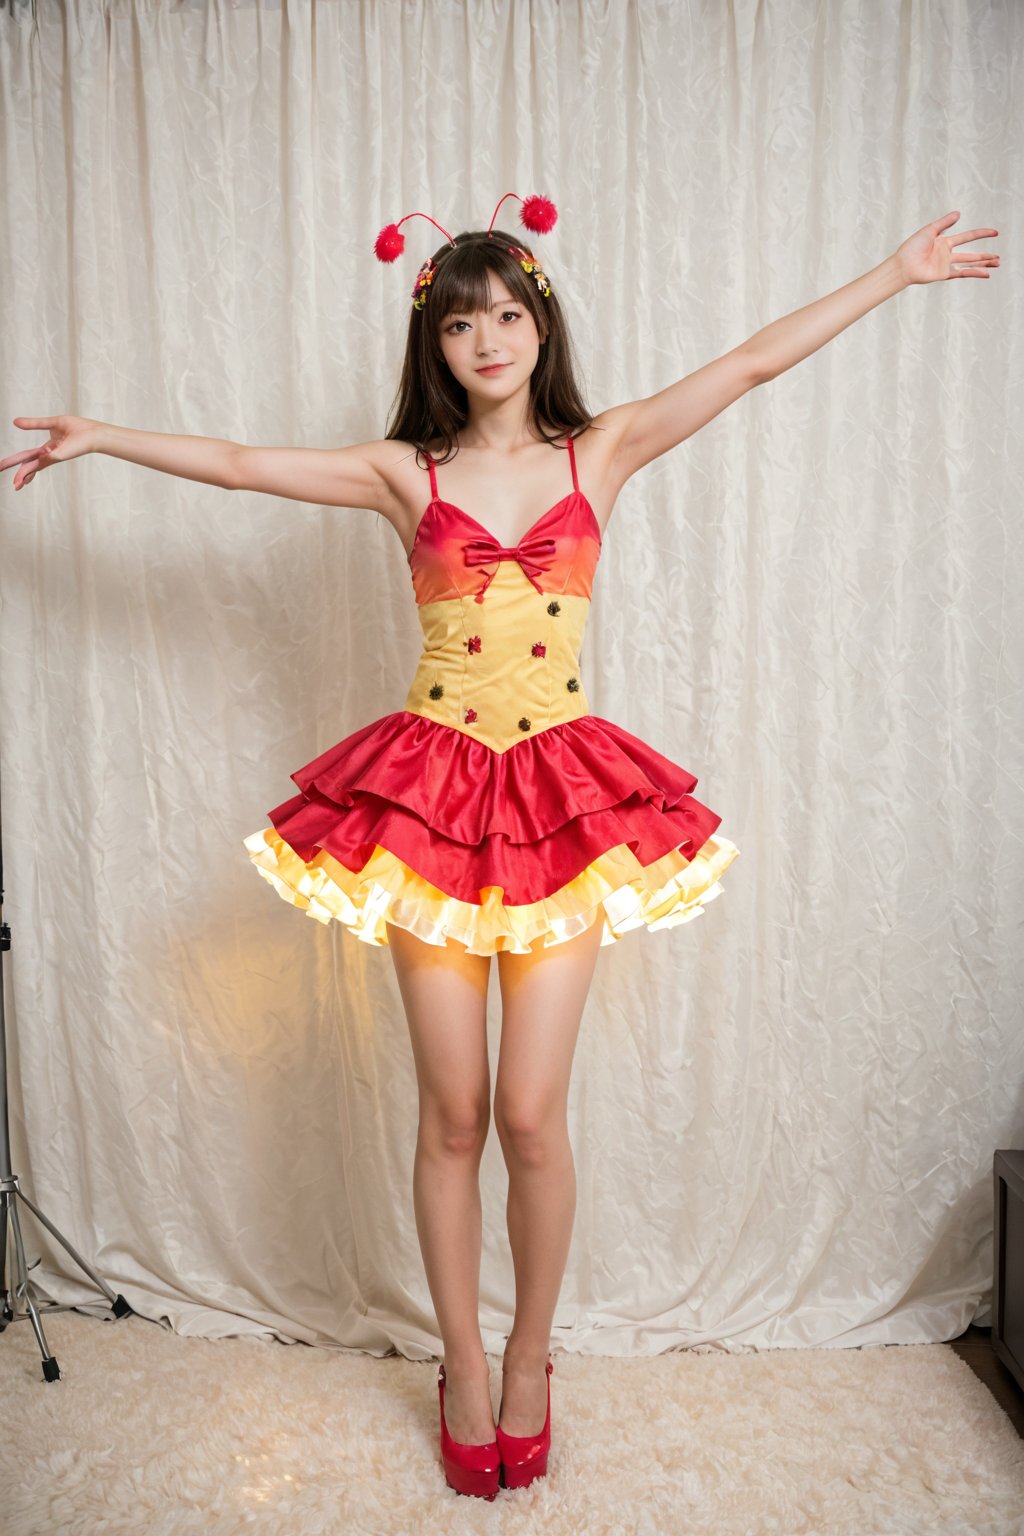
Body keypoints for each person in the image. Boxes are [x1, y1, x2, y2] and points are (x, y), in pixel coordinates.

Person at [0, 195, 999, 1501]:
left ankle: (534, 1356)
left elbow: (751, 363)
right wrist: (101, 438)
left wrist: (894, 274)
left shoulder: (606, 450)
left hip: (564, 806)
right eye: (464, 319)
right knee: (456, 1112)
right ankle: (461, 1363)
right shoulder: (400, 472)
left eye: (509, 315)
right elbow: (244, 462)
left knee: (532, 1113)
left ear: (541, 328)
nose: (488, 338)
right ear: (439, 338)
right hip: (425, 804)